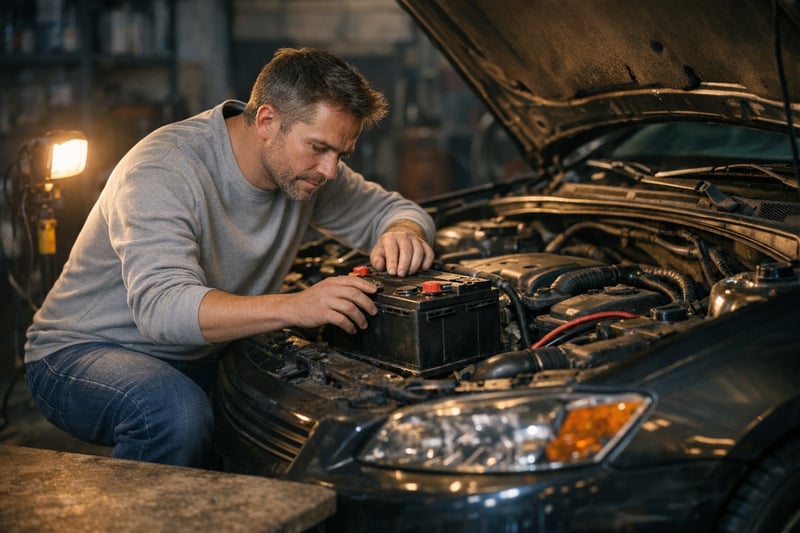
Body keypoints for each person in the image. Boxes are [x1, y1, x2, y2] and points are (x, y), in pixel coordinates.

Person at [23, 47, 436, 468]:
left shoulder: (307, 170)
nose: (330, 171)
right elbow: (162, 310)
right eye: (318, 147)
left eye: (341, 155)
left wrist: (403, 233)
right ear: (267, 121)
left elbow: (398, 211)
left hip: (199, 354)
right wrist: (298, 305)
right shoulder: (164, 170)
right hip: (82, 353)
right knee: (173, 412)